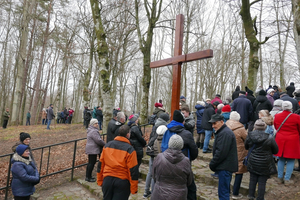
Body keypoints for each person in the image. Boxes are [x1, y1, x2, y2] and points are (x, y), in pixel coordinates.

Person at [97, 125, 139, 200]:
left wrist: (99, 180)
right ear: (127, 134)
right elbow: (133, 170)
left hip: (107, 179)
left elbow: (100, 165)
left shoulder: (107, 146)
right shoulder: (130, 149)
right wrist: (134, 188)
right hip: (122, 181)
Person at [165, 110, 198, 200]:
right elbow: (194, 150)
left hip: (166, 163)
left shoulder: (166, 131)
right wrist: (189, 159)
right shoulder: (186, 133)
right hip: (183, 163)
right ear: (182, 122)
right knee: (190, 188)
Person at [151, 135, 193, 200]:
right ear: (181, 145)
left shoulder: (159, 157)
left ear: (169, 144)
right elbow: (189, 181)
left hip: (159, 193)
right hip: (179, 195)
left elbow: (154, 176)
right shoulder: (186, 161)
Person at [245, 119, 278, 200]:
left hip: (253, 161)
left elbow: (246, 147)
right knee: (262, 182)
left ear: (255, 127)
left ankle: (251, 196)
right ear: (264, 127)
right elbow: (276, 151)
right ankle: (260, 198)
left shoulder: (250, 135)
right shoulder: (269, 138)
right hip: (265, 162)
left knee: (252, 180)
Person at [208, 114, 238, 200]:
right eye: (212, 124)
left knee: (223, 193)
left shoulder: (225, 133)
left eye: (215, 123)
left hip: (225, 167)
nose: (213, 126)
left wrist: (212, 164)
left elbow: (221, 152)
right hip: (225, 166)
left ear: (221, 122)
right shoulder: (223, 132)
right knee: (224, 191)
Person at [144, 113, 170, 198]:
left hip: (152, 150)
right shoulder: (163, 127)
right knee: (154, 175)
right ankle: (153, 192)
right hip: (157, 152)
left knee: (150, 172)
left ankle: (146, 191)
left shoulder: (155, 124)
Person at [274, 101, 300, 185]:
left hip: (280, 138)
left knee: (281, 158)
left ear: (282, 107)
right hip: (292, 139)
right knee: (291, 159)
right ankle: (287, 179)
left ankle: (279, 177)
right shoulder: (296, 117)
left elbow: (276, 126)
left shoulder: (277, 116)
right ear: (291, 108)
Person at [226, 112, 248, 199]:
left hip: (228, 152)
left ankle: (227, 191)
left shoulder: (225, 126)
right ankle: (235, 193)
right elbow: (247, 139)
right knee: (239, 173)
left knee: (228, 172)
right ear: (239, 119)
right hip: (239, 152)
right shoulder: (241, 129)